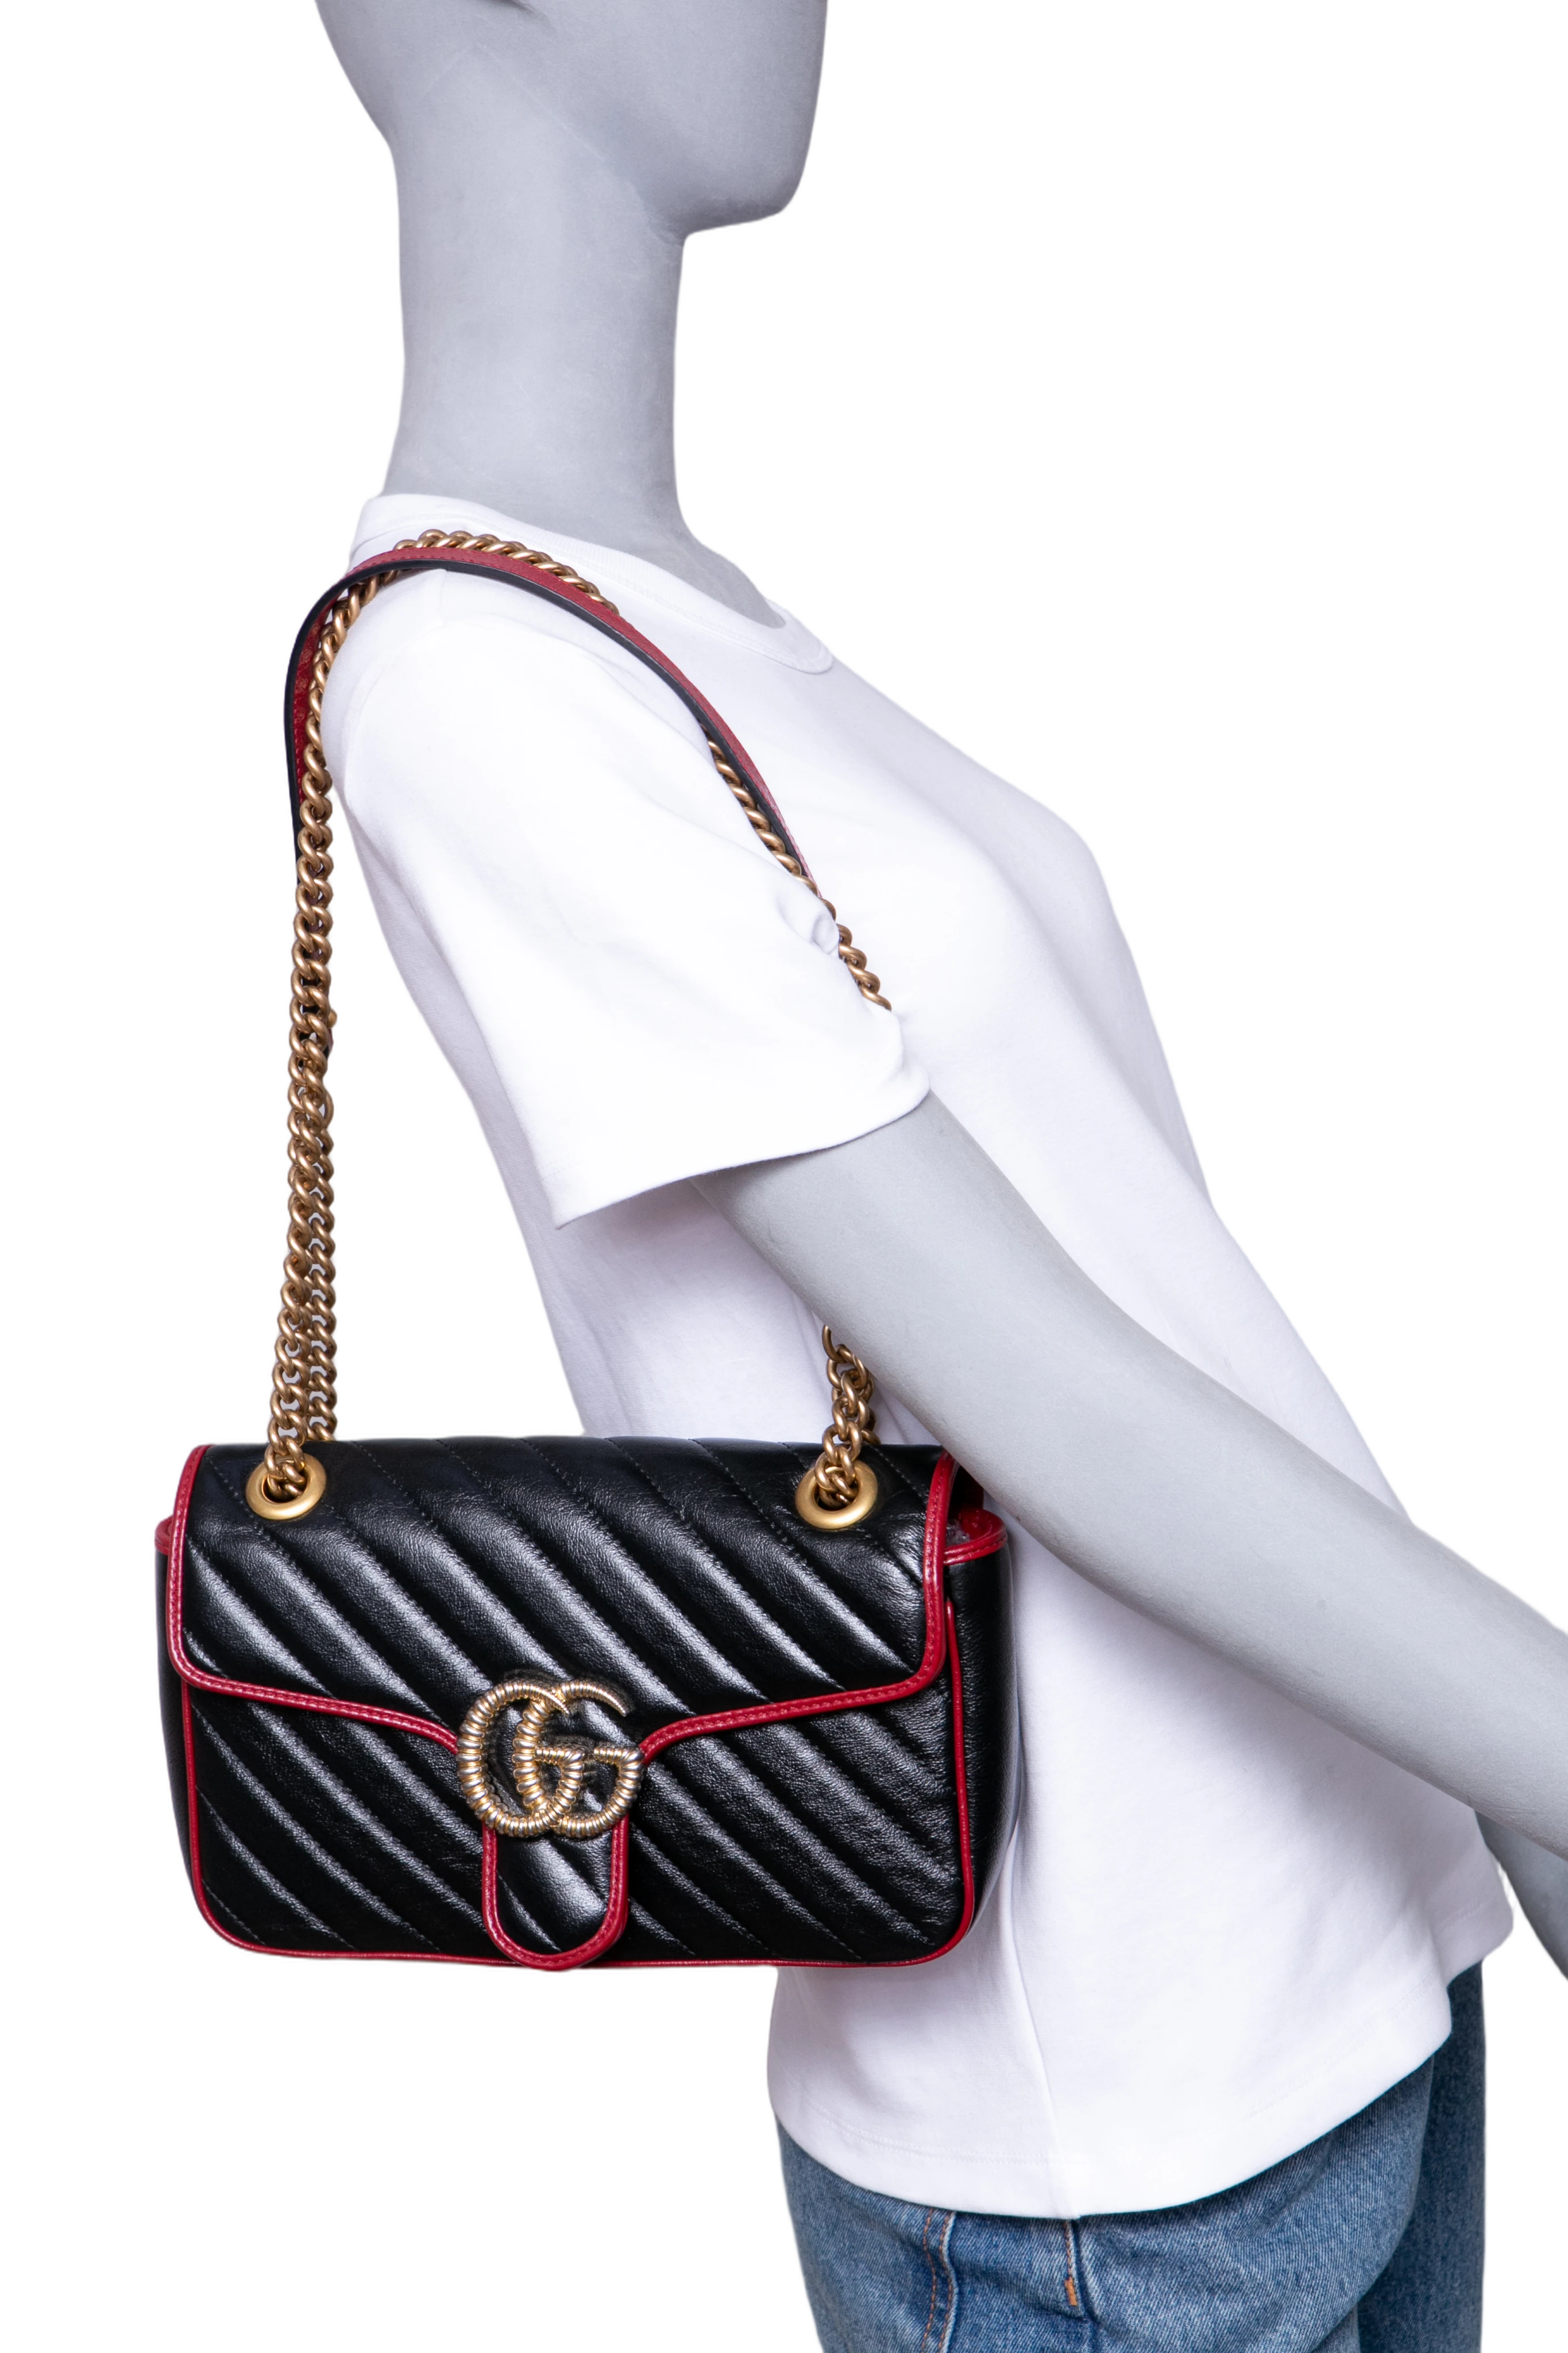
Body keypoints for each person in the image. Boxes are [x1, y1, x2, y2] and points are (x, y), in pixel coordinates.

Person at [308, 5, 1567, 2344]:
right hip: (1102, 2158)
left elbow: (1173, 1297)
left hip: (1357, 1954)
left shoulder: (687, 621)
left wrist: (1493, 1800)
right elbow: (1045, 1397)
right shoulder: (479, 684)